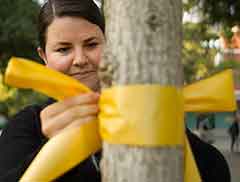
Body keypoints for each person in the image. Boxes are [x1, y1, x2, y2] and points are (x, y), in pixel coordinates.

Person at [0, 0, 231, 181]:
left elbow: (215, 170)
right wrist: (54, 149)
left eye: (91, 44)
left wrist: (166, 127)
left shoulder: (149, 114)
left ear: (112, 46)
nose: (80, 59)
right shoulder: (28, 126)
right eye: (63, 49)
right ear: (44, 57)